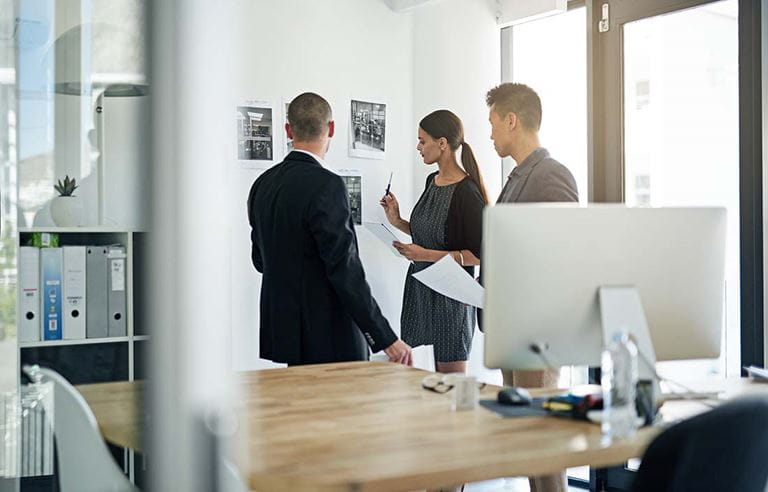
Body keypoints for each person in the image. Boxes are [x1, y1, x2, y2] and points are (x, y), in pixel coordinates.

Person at [247, 92, 412, 366]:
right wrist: (385, 338)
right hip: (329, 336)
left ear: (288, 129)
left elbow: (260, 261)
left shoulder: (262, 185)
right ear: (332, 128)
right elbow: (344, 269)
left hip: (286, 333)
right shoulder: (328, 185)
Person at [486, 82, 578, 492]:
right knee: (527, 442)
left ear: (512, 120)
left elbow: (564, 250)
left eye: (492, 123)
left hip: (539, 330)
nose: (490, 134)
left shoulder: (551, 174)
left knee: (541, 442)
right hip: (514, 323)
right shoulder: (516, 178)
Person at [380, 110, 488, 374]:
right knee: (417, 380)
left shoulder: (467, 192)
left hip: (451, 296)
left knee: (450, 383)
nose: (418, 147)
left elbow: (479, 254)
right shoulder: (432, 181)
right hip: (420, 290)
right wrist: (397, 220)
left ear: (442, 143)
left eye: (422, 140)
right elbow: (427, 236)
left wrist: (424, 255)